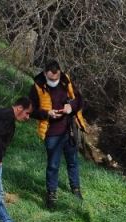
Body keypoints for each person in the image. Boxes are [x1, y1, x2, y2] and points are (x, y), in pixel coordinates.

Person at [29, 60, 88, 210]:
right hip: (51, 133)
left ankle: (76, 189)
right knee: (53, 165)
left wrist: (71, 107)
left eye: (56, 78)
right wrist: (46, 113)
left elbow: (79, 100)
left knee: (73, 162)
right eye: (51, 79)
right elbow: (31, 111)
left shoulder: (66, 81)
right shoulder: (37, 86)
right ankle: (51, 194)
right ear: (44, 74)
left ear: (60, 73)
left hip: (69, 130)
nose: (54, 81)